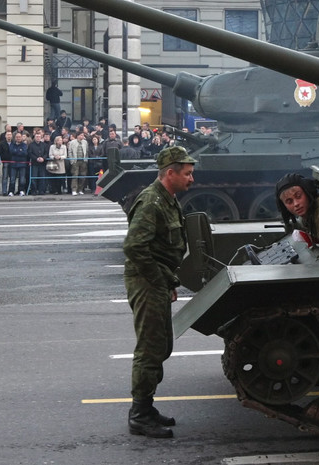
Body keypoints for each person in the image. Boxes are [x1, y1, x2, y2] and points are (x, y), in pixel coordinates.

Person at [123, 146, 196, 438]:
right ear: (170, 173)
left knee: (162, 344)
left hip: (157, 281)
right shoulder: (152, 202)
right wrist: (159, 281)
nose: (192, 179)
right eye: (188, 174)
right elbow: (134, 247)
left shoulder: (168, 199)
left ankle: (147, 406)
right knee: (150, 348)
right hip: (146, 281)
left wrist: (168, 282)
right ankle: (139, 414)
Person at [68, 131, 89, 195]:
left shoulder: (85, 142)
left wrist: (86, 159)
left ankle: (80, 189)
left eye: (83, 135)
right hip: (75, 161)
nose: (82, 136)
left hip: (83, 161)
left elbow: (87, 151)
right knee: (75, 175)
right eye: (81, 135)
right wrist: (71, 160)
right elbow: (70, 151)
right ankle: (74, 189)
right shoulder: (72, 142)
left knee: (83, 176)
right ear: (77, 136)